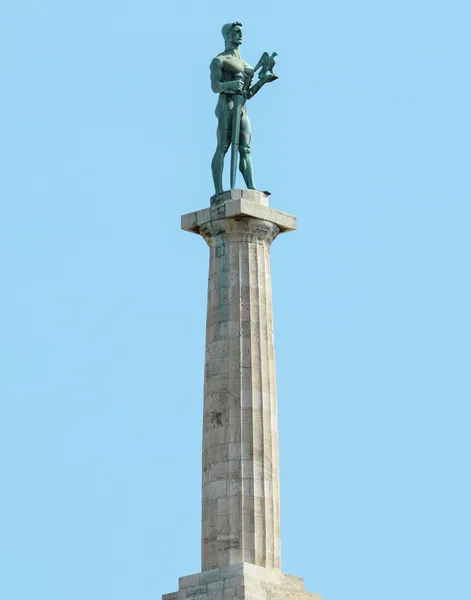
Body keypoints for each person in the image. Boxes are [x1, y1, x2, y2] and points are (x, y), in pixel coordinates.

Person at [209, 22, 277, 194]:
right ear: (227, 36)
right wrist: (231, 83)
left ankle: (252, 187)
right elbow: (215, 86)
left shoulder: (246, 64)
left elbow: (247, 93)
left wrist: (263, 81)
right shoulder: (220, 60)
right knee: (223, 147)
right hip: (227, 104)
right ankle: (219, 190)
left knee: (245, 148)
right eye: (237, 32)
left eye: (241, 32)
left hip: (242, 105)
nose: (240, 35)